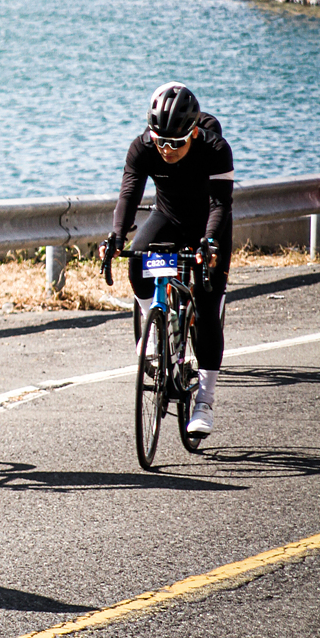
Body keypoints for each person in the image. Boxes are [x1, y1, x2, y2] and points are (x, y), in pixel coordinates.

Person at [100, 82, 233, 438]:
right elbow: (129, 193)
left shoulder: (215, 149)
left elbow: (220, 204)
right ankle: (153, 325)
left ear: (194, 133)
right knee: (137, 261)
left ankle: (204, 402)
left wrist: (209, 242)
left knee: (206, 309)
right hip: (168, 218)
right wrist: (117, 236)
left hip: (208, 226)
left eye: (175, 143)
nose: (166, 149)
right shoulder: (143, 147)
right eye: (160, 141)